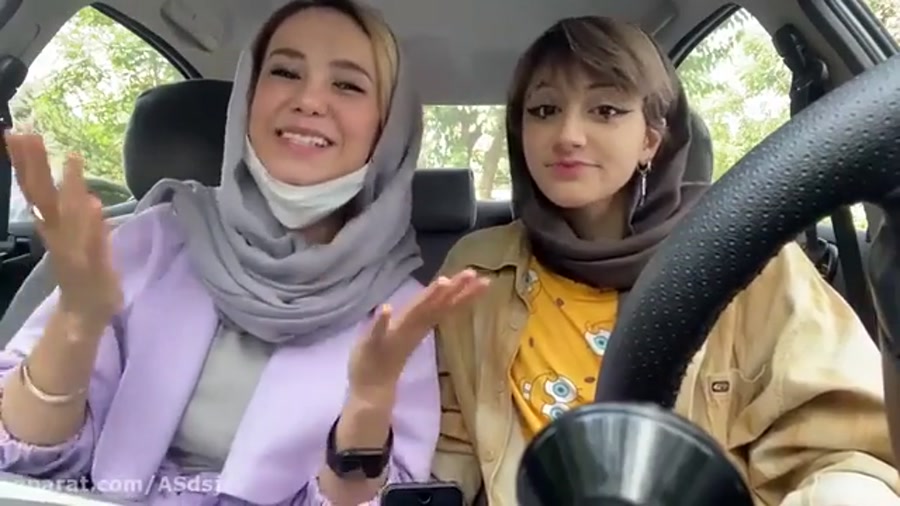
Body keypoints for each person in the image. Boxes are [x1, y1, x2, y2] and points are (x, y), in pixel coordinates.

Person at [0, 0, 486, 504]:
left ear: (387, 128)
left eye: (347, 85)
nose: (309, 100)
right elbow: (26, 466)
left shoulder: (401, 315)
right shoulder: (149, 241)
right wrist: (76, 321)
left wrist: (368, 404)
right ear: (248, 99)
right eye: (285, 72)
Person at [430, 15, 900, 506]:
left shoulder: (747, 257)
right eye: (544, 110)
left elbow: (847, 453)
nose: (568, 134)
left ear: (650, 139)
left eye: (605, 110)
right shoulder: (476, 269)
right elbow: (451, 446)